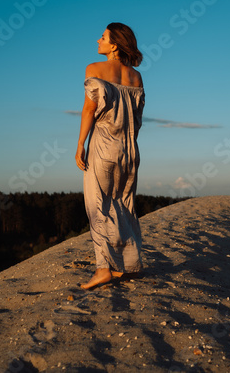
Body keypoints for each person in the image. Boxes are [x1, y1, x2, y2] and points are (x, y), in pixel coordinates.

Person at [75, 22, 145, 290]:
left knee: (97, 205)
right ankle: (125, 265)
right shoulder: (136, 77)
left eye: (102, 37)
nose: (98, 40)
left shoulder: (94, 69)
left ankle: (103, 268)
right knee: (124, 204)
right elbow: (137, 120)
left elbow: (88, 110)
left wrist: (81, 144)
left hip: (103, 145)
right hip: (130, 150)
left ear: (114, 44)